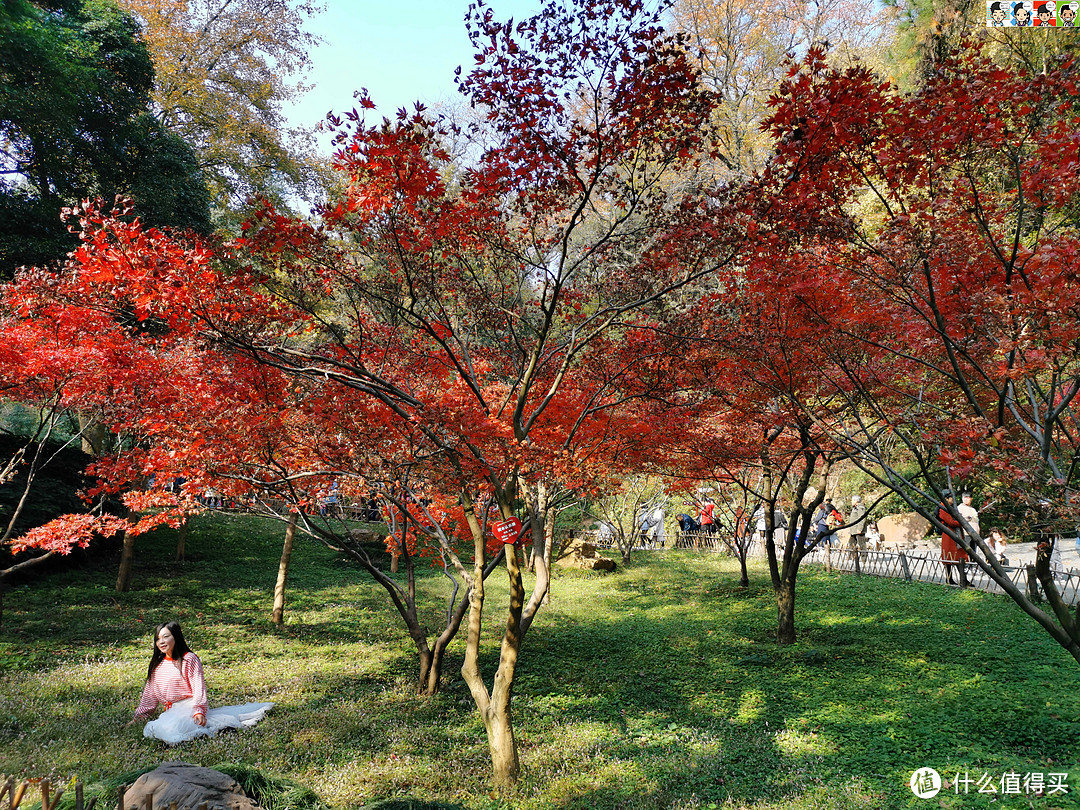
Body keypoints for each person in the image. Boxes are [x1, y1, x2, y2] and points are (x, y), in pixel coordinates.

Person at [131, 621, 273, 745]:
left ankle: (219, 728)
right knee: (153, 730)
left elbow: (199, 687)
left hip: (188, 706)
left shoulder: (189, 659)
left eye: (166, 637)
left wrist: (198, 711)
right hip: (170, 711)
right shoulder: (158, 664)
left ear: (176, 637)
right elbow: (150, 694)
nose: (161, 642)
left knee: (172, 732)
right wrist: (139, 717)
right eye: (158, 639)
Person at [938, 492, 968, 586]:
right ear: (946, 498)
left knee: (959, 557)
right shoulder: (943, 508)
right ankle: (949, 579)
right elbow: (950, 522)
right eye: (951, 497)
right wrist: (961, 521)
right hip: (949, 535)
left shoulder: (949, 507)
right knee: (949, 557)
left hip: (954, 534)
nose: (952, 499)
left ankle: (963, 580)